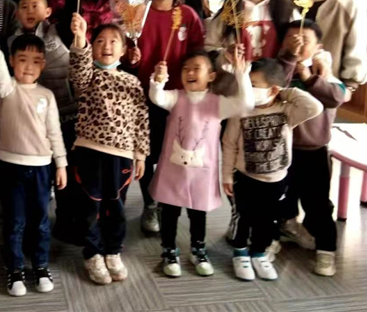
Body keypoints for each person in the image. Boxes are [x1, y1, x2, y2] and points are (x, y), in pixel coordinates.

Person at [148, 50, 253, 277]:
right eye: (186, 69)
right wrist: (158, 81)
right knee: (169, 211)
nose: (190, 73)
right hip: (173, 170)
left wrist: (241, 74)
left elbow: (245, 104)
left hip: (202, 173)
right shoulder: (176, 97)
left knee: (198, 212)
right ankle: (168, 249)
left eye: (197, 68)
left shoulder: (218, 103)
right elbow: (157, 97)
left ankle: (198, 248)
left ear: (211, 76)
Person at [0, 23, 67, 296]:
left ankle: (40, 265)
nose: (29, 66)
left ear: (43, 64)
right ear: (11, 61)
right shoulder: (7, 89)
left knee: (40, 221)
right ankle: (15, 268)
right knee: (14, 221)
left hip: (41, 168)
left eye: (36, 61)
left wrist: (61, 163)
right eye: (22, 60)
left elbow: (54, 132)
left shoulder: (47, 95)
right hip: (10, 167)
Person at [222, 58, 322, 281]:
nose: (247, 89)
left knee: (267, 220)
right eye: (246, 83)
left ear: (273, 89)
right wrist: (227, 175)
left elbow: (314, 107)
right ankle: (240, 253)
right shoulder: (241, 111)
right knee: (244, 217)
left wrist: (285, 92)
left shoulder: (286, 110)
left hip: (277, 180)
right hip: (245, 177)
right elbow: (229, 144)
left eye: (253, 85)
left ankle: (259, 253)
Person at [69, 15, 150, 285]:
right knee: (90, 206)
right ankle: (93, 253)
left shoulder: (132, 82)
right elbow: (78, 71)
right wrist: (80, 38)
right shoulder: (88, 76)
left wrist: (140, 155)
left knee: (116, 206)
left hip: (122, 156)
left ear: (124, 49)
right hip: (89, 152)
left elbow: (141, 120)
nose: (106, 46)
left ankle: (113, 250)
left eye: (114, 41)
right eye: (100, 41)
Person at [128, 0, 205, 235]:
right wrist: (131, 58)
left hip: (177, 97)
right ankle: (150, 203)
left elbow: (199, 55)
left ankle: (166, 200)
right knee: (147, 153)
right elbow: (123, 55)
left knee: (173, 152)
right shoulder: (137, 13)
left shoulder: (187, 15)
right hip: (141, 97)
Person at [8, 0, 79, 243]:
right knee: (37, 179)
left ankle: (66, 224)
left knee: (66, 176)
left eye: (35, 5)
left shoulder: (59, 31)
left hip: (67, 115)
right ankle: (32, 231)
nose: (29, 10)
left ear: (48, 11)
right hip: (33, 122)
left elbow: (73, 10)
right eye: (24, 6)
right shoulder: (12, 40)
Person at [277, 20, 346, 276]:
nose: (298, 43)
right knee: (281, 198)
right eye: (291, 38)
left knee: (317, 204)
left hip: (313, 153)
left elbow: (336, 97)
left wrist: (308, 76)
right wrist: (289, 62)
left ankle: (326, 250)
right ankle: (280, 233)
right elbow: (271, 88)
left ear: (318, 47)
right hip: (282, 151)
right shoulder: (278, 71)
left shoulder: (325, 76)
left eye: (305, 40)